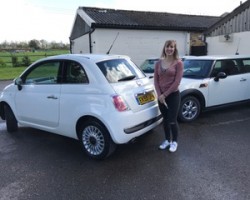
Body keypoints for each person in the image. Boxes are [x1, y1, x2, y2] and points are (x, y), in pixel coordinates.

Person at [154, 40, 184, 152]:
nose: (169, 49)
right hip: (161, 96)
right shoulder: (158, 63)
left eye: (172, 47)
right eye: (167, 46)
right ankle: (167, 140)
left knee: (172, 120)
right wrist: (159, 95)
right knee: (165, 120)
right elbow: (156, 81)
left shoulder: (178, 63)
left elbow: (177, 82)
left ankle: (174, 141)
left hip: (173, 96)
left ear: (174, 49)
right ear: (164, 48)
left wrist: (165, 95)